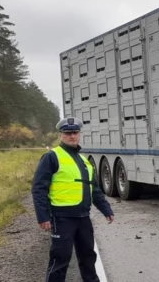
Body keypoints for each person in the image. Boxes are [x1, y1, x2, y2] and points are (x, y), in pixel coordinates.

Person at [31, 117, 115, 282]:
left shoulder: (84, 161)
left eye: (75, 133)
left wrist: (106, 209)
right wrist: (43, 216)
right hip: (62, 218)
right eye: (68, 133)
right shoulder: (52, 157)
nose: (72, 136)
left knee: (88, 257)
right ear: (61, 134)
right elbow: (39, 188)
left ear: (79, 134)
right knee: (60, 259)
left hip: (83, 217)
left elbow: (94, 188)